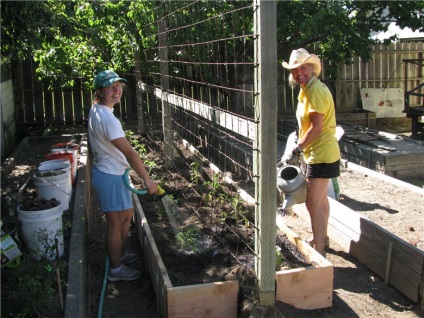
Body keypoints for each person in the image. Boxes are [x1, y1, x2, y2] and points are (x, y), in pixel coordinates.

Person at [88, 70, 159, 281]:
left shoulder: (99, 110)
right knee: (116, 223)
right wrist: (147, 179)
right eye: (110, 87)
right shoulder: (108, 119)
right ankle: (115, 270)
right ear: (100, 91)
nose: (116, 90)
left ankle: (119, 255)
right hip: (109, 176)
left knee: (126, 217)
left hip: (113, 173)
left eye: (118, 85)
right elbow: (129, 152)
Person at [281, 49, 341, 255]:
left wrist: (298, 149)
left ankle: (319, 252)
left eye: (303, 68)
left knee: (313, 203)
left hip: (321, 153)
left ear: (312, 68)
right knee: (322, 199)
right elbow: (307, 126)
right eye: (295, 70)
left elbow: (316, 128)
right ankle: (321, 238)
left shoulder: (315, 91)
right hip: (319, 151)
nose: (299, 73)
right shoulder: (306, 89)